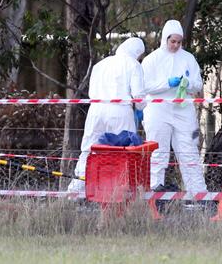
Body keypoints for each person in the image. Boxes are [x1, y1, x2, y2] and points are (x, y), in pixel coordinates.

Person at [67, 37, 146, 194]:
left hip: (96, 110)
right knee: (123, 152)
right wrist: (141, 107)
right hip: (119, 111)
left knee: (89, 149)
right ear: (137, 53)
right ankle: (117, 191)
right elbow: (139, 95)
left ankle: (76, 191)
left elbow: (91, 91)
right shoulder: (133, 64)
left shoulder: (100, 64)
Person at [142, 19, 207, 193]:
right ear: (165, 39)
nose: (176, 45)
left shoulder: (188, 58)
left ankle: (198, 194)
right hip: (158, 111)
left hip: (183, 111)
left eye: (179, 42)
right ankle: (155, 191)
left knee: (189, 151)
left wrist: (188, 84)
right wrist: (167, 83)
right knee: (158, 151)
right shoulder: (152, 59)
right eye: (173, 41)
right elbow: (145, 86)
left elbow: (198, 84)